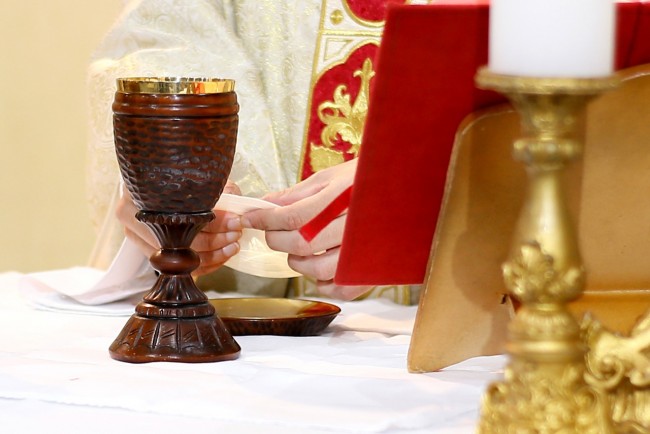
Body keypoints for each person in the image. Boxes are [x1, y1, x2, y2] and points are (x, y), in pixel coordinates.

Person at [88, 0, 422, 303]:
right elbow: (162, 37)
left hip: (443, 324)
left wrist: (433, 190)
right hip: (243, 318)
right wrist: (166, 162)